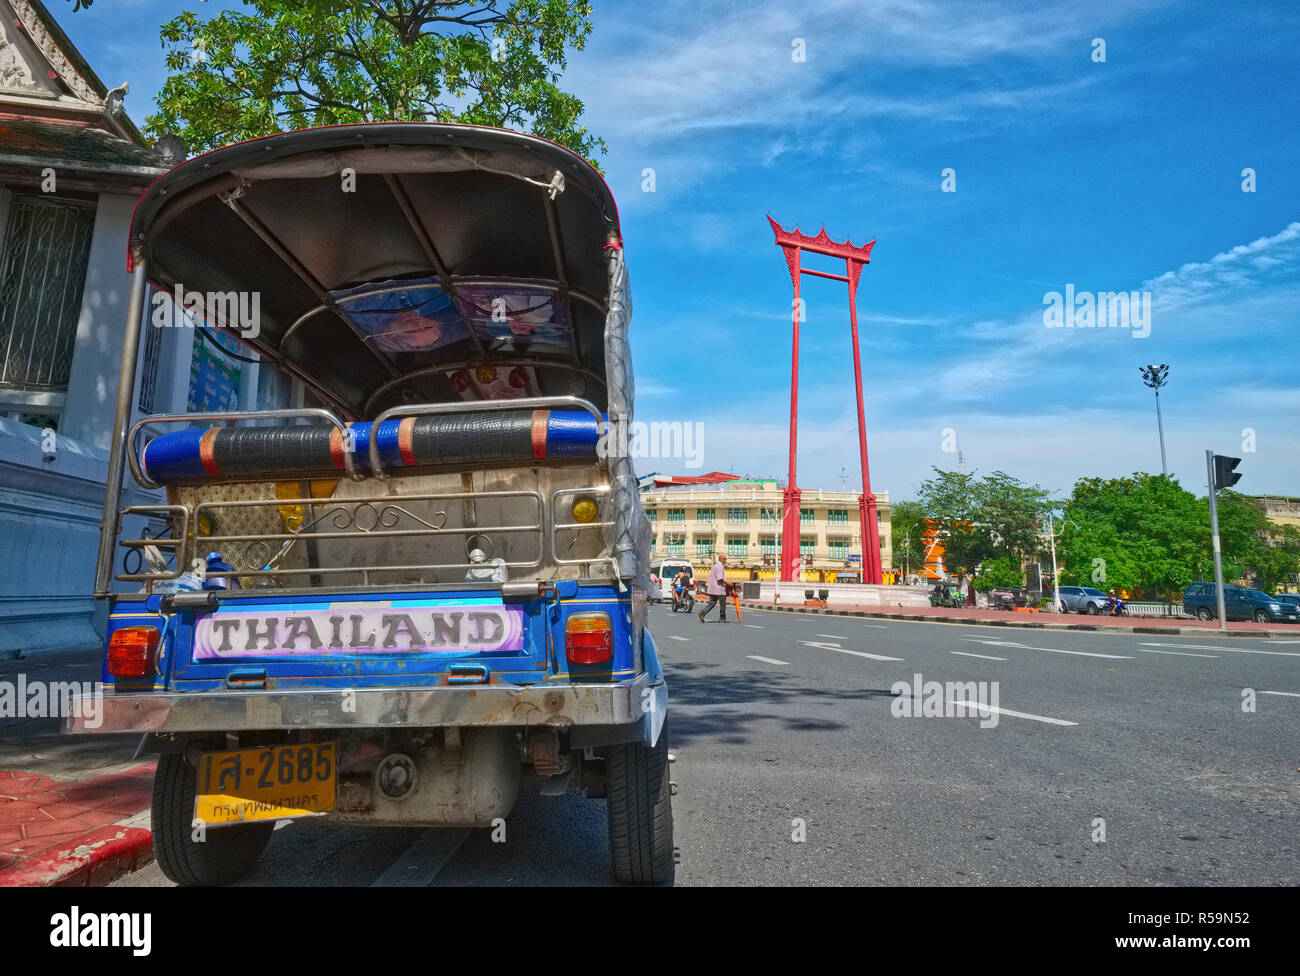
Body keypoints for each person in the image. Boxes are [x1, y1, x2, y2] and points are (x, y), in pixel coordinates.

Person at [699, 554, 729, 623]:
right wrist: (728, 583)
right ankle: (722, 618)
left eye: (725, 559)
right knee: (722, 604)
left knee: (712, 603)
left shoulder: (715, 566)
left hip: (713, 588)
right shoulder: (719, 566)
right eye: (724, 559)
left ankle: (702, 613)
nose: (725, 561)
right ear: (720, 559)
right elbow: (720, 579)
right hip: (719, 589)